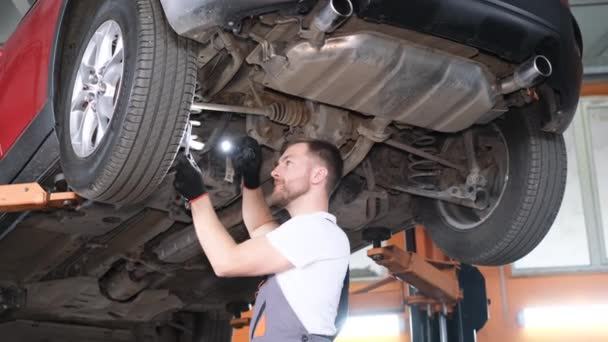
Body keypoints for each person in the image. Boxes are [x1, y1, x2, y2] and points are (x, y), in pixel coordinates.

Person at [173, 137, 350, 342]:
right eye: (278, 164)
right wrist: (250, 180)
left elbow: (226, 262)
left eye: (288, 163)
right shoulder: (312, 232)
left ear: (318, 174)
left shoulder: (316, 230)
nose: (275, 172)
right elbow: (260, 228)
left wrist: (197, 197)